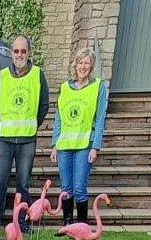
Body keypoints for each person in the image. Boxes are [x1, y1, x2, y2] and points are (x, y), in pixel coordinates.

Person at [0, 34, 49, 234]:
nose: (19, 54)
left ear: (28, 53)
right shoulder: (3, 75)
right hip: (4, 139)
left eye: (23, 51)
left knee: (23, 183)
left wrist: (33, 125)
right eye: (16, 51)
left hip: (26, 140)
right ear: (12, 53)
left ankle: (21, 223)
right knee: (0, 182)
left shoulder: (38, 75)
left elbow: (44, 105)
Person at [50, 47, 108, 226]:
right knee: (66, 188)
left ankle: (82, 226)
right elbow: (58, 118)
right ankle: (67, 224)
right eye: (80, 62)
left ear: (91, 67)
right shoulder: (64, 88)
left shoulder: (98, 87)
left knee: (79, 188)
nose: (83, 66)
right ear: (75, 65)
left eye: (87, 63)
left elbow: (100, 119)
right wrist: (54, 145)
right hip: (64, 146)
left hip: (84, 145)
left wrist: (95, 147)